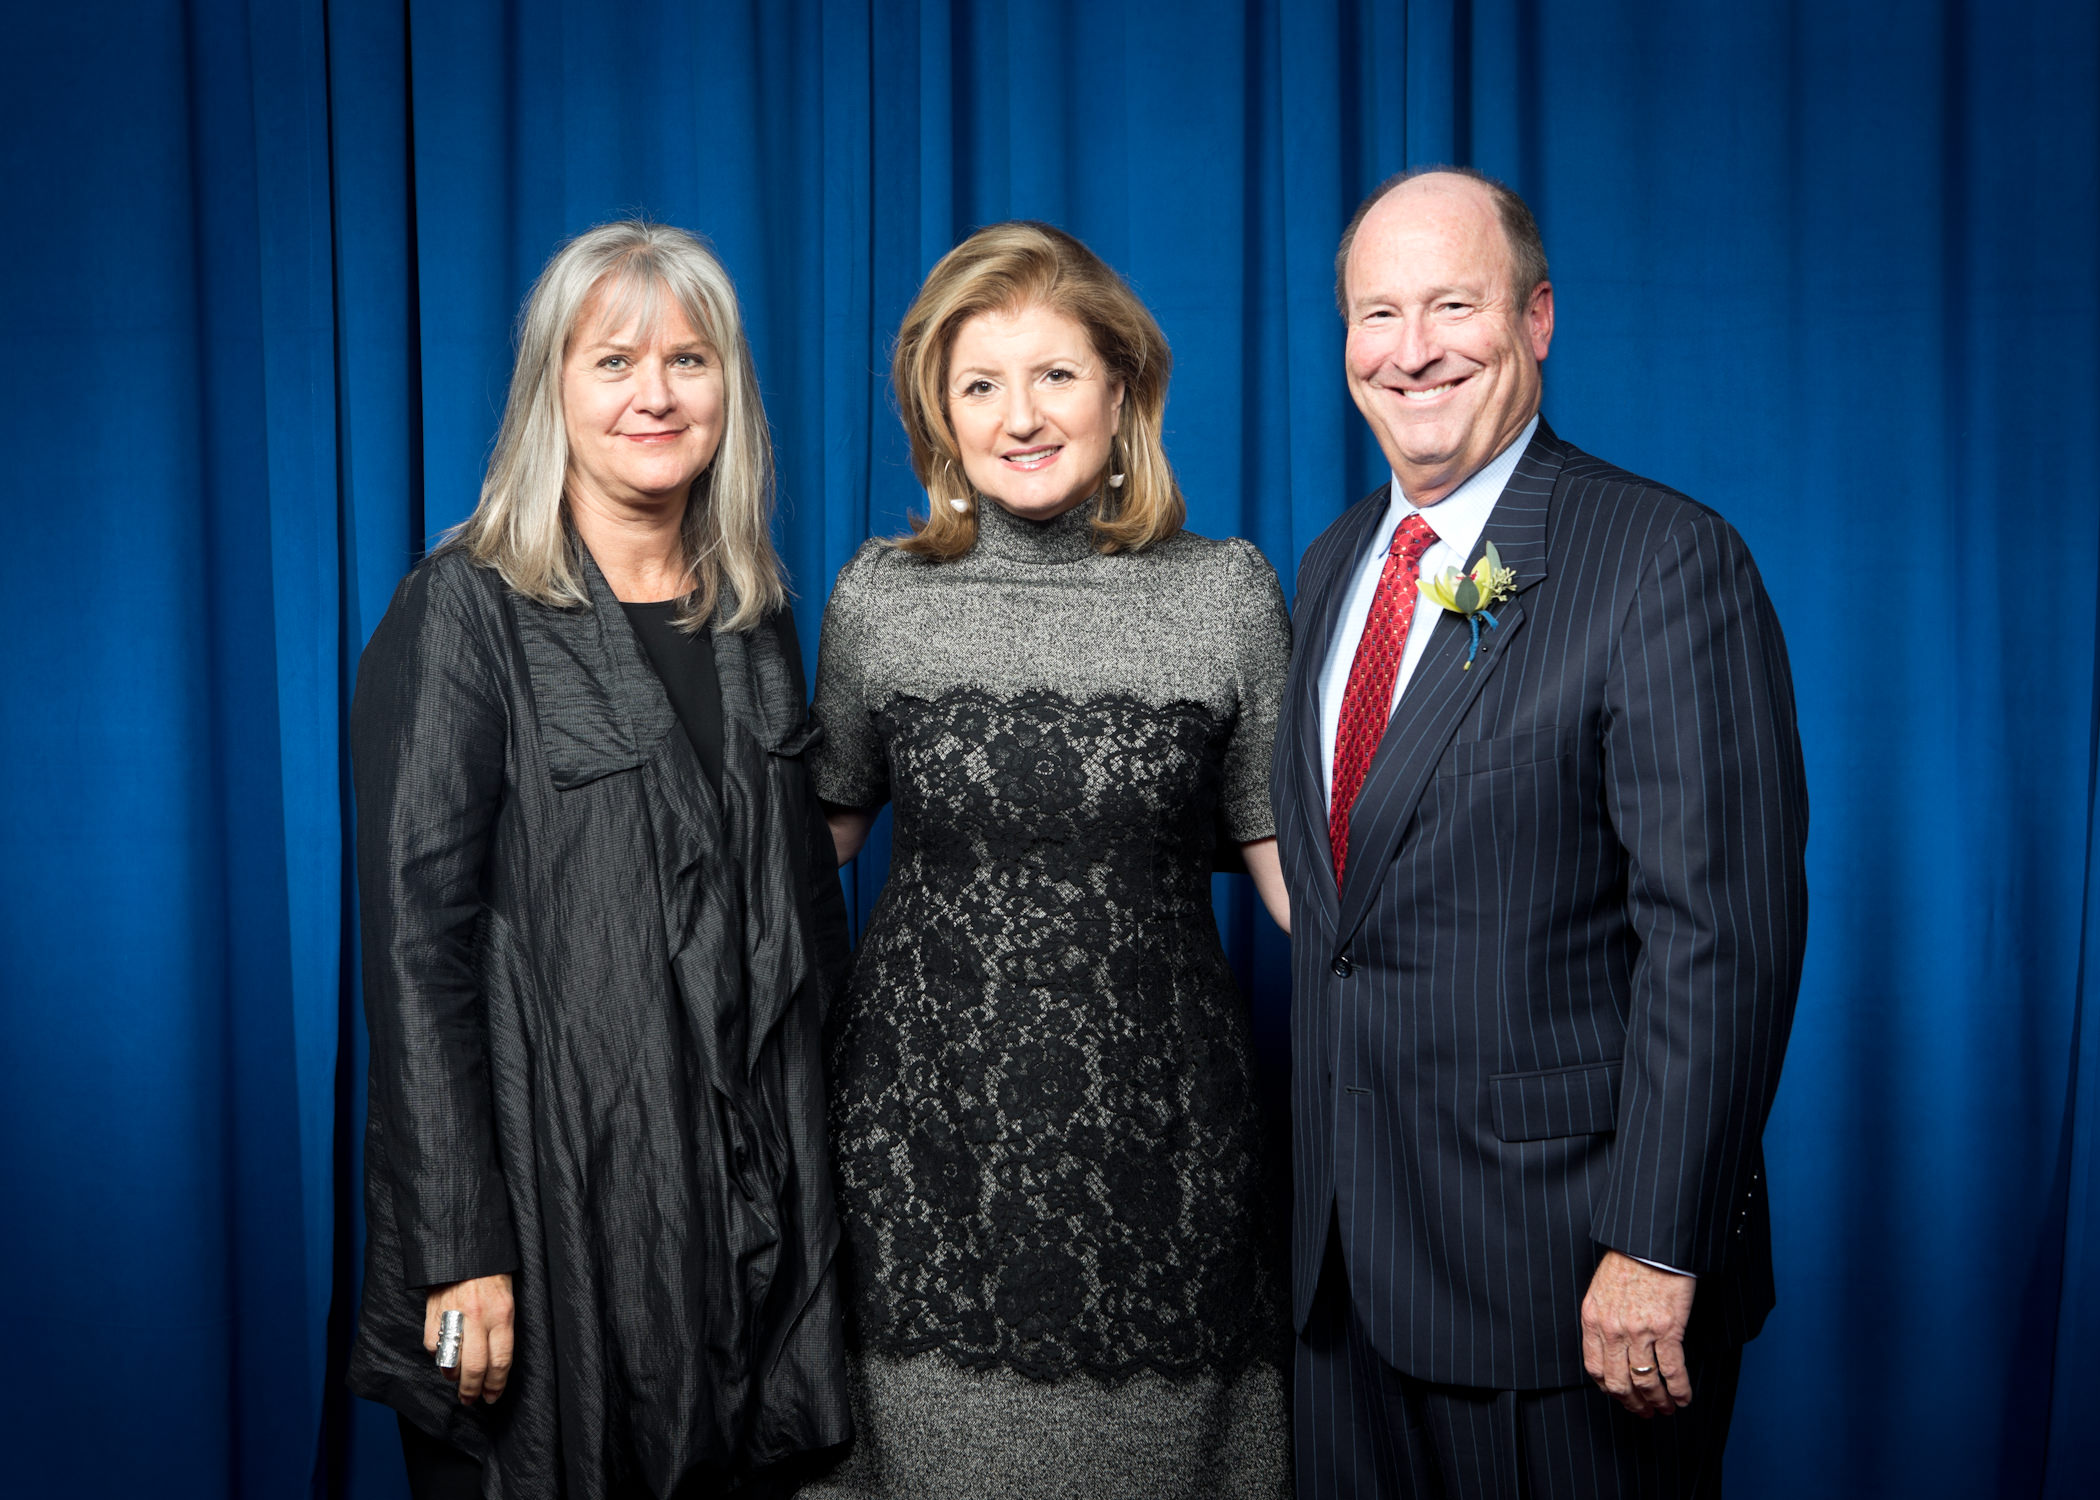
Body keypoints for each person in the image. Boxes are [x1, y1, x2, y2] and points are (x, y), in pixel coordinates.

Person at [1274, 167, 1809, 1498]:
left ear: (1537, 320)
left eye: (1453, 304)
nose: (1410, 351)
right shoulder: (1337, 562)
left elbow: (1722, 934)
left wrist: (1656, 1245)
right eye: (1375, 312)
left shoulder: (1664, 560)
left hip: (1569, 1284)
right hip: (1346, 1283)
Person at [345, 220, 852, 1499]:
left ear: (728, 390)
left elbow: (800, 926)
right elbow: (417, 949)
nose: (655, 395)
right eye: (614, 359)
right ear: (552, 392)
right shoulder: (463, 610)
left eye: (690, 360)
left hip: (745, 1230)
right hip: (548, 1214)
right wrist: (461, 1244)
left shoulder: (757, 613)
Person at [803, 221, 1294, 1499]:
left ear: (1121, 390)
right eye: (981, 385)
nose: (1020, 416)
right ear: (941, 416)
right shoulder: (877, 598)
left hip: (1168, 1159)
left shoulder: (1228, 595)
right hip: (917, 1159)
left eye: (1056, 376)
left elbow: (1300, 877)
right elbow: (813, 849)